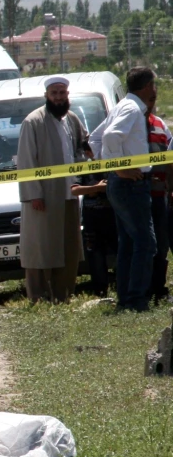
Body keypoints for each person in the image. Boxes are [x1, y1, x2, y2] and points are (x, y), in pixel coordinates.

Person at [16, 77, 86, 303]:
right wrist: (34, 194)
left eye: (62, 92)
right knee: (41, 247)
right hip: (44, 196)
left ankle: (63, 295)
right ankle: (39, 298)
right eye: (54, 93)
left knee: (68, 247)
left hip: (69, 193)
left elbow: (83, 145)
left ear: (68, 94)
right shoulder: (33, 122)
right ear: (47, 95)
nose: (58, 97)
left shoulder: (72, 119)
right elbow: (26, 161)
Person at [99, 67, 159, 312]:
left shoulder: (123, 106)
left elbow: (94, 138)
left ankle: (126, 298)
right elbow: (110, 136)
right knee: (146, 243)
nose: (155, 90)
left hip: (124, 185)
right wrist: (120, 169)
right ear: (146, 87)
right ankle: (135, 301)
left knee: (129, 243)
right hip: (129, 184)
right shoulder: (132, 109)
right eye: (154, 85)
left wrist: (113, 168)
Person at [72, 143, 116, 298]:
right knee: (95, 256)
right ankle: (100, 291)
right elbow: (75, 189)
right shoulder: (85, 167)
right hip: (92, 221)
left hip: (114, 219)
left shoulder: (112, 163)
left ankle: (122, 286)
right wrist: (95, 188)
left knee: (120, 254)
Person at [148, 108, 173, 301]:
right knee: (156, 242)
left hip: (160, 195)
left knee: (162, 243)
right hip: (150, 194)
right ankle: (154, 288)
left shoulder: (160, 125)